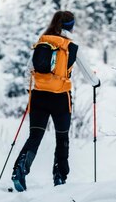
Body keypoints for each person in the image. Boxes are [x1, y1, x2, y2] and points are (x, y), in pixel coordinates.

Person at [11, 10, 79, 192]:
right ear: (70, 26)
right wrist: (96, 82)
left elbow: (29, 69)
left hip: (39, 96)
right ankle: (59, 177)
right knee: (62, 138)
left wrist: (30, 90)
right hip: (61, 99)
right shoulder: (71, 46)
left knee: (35, 136)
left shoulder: (43, 42)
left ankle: (19, 170)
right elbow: (89, 76)